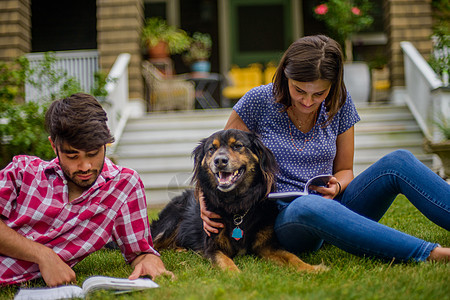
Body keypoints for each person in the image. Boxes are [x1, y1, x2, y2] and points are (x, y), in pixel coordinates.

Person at [200, 35, 450, 263]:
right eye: (299, 90)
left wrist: (337, 186)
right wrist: (204, 200)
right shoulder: (258, 100)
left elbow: (344, 170)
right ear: (285, 76)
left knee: (399, 161)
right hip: (284, 219)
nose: (308, 102)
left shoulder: (339, 102)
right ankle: (431, 254)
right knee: (307, 205)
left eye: (318, 93)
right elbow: (219, 154)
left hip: (336, 206)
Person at [0, 93, 174, 286]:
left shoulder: (123, 186)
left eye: (93, 153)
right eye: (72, 156)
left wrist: (149, 259)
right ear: (53, 145)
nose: (85, 166)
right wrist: (43, 256)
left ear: (105, 144)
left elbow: (140, 251)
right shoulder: (22, 172)